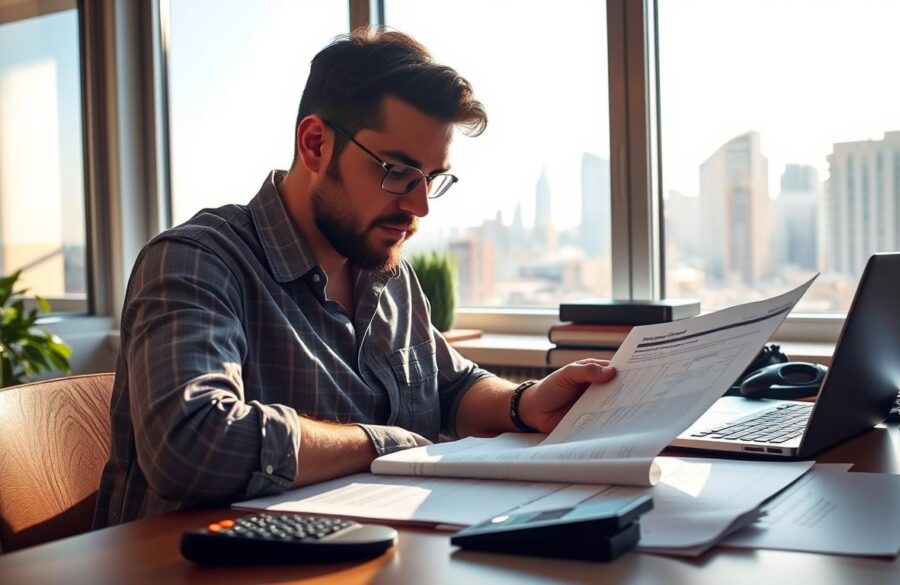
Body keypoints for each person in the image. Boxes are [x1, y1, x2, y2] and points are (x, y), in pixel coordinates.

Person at [94, 28, 616, 527]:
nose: (419, 206)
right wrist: (383, 444)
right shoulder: (197, 261)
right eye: (397, 172)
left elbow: (451, 388)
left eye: (432, 179)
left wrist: (525, 405)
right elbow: (190, 443)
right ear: (316, 144)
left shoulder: (387, 274)